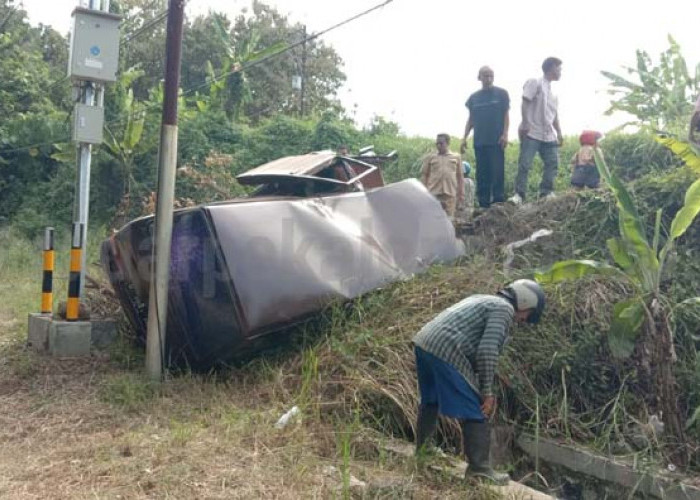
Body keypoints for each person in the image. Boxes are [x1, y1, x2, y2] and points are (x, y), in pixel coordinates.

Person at [412, 279, 546, 484]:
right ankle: (480, 468)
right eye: (528, 315)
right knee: (476, 405)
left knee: (431, 399)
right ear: (526, 302)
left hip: (425, 342)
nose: (524, 320)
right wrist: (487, 392)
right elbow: (487, 351)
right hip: (446, 350)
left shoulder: (484, 299)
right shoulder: (504, 310)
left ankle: (424, 448)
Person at [510, 57, 564, 205]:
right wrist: (526, 122)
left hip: (548, 134)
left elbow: (554, 116)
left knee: (552, 163)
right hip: (532, 131)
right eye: (559, 69)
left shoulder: (553, 94)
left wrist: (559, 132)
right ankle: (519, 195)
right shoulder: (535, 83)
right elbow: (525, 102)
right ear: (551, 68)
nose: (560, 72)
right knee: (525, 164)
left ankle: (546, 193)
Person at [460, 66, 510, 208]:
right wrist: (464, 137)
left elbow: (506, 115)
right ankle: (483, 204)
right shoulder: (474, 98)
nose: (488, 79)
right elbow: (471, 119)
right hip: (480, 141)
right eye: (485, 76)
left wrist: (505, 134)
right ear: (479, 77)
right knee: (482, 173)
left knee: (497, 171)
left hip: (496, 141)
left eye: (491, 76)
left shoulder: (501, 94)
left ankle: (498, 202)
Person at [421, 133, 464, 218]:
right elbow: (425, 175)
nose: (438, 146)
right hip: (433, 194)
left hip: (449, 195)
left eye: (441, 143)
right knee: (432, 219)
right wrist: (423, 192)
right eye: (437, 143)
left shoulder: (456, 157)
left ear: (447, 143)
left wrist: (461, 194)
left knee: (448, 220)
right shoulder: (430, 157)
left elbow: (460, 177)